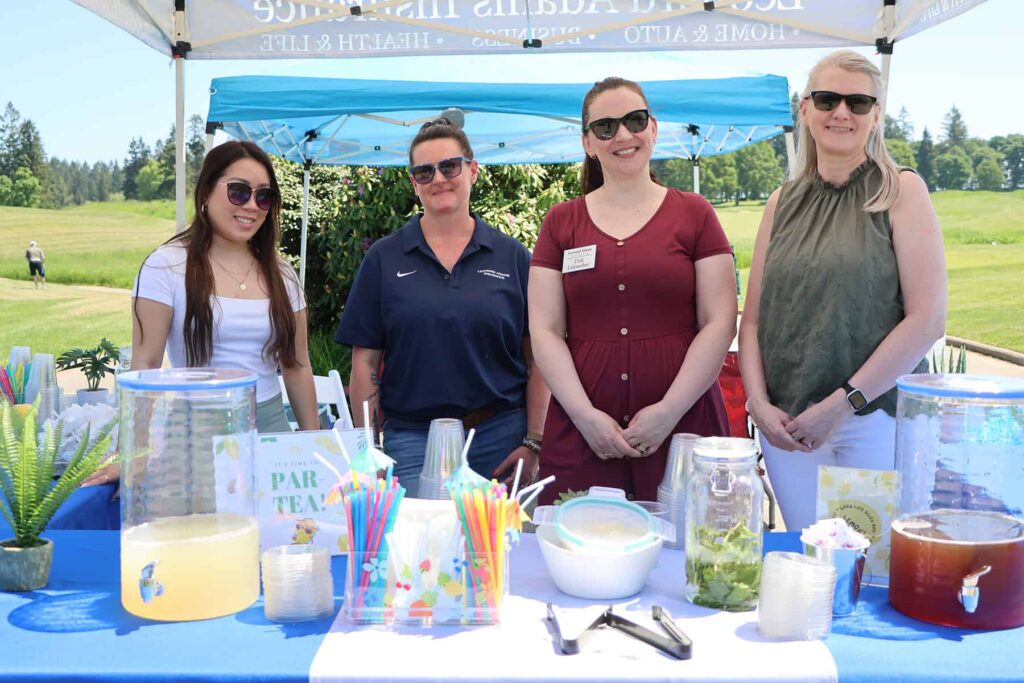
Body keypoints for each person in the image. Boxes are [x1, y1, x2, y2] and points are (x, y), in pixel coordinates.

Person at [738, 50, 947, 531]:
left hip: (872, 420)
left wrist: (842, 404)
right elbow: (752, 321)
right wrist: (758, 404)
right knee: (807, 564)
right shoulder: (780, 202)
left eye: (858, 102)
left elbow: (927, 320)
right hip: (787, 428)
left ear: (875, 115)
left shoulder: (901, 190)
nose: (841, 112)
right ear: (805, 110)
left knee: (868, 574)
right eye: (828, 99)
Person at [529, 77, 737, 504]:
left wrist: (668, 412)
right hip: (583, 434)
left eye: (634, 120)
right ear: (588, 142)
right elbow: (545, 329)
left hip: (684, 428)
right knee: (581, 559)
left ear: (653, 129)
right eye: (606, 127)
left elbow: (718, 322)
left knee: (688, 559)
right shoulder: (560, 223)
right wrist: (585, 417)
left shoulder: (695, 214)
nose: (622, 135)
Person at [335, 117, 550, 497]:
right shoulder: (384, 259)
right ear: (413, 183)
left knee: (496, 551)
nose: (438, 178)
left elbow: (538, 360)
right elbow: (364, 363)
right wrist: (369, 451)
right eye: (424, 171)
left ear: (472, 170)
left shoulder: (513, 256)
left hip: (498, 438)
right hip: (412, 440)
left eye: (449, 166)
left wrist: (534, 441)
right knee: (420, 552)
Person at [83, 141, 318, 488]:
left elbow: (297, 366)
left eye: (264, 196)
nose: (252, 206)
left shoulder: (283, 275)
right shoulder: (166, 266)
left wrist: (313, 446)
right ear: (206, 192)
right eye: (239, 192)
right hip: (195, 436)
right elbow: (145, 365)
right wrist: (131, 453)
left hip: (271, 434)